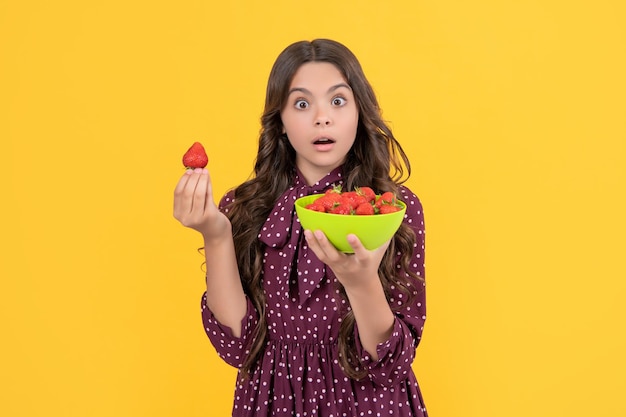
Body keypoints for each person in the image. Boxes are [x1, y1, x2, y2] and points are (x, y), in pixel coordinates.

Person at [173, 38, 427, 417]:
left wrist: (361, 284)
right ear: (280, 121)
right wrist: (215, 233)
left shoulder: (392, 211)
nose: (322, 118)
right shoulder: (244, 208)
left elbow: (388, 363)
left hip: (367, 404)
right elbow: (240, 347)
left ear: (360, 112)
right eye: (302, 103)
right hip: (272, 402)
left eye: (338, 101)